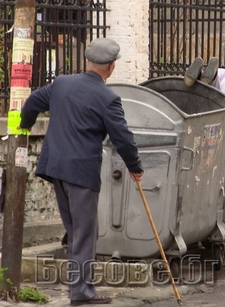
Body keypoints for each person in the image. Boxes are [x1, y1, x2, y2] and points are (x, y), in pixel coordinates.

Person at [19, 38, 144, 306]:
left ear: (89, 62)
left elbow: (31, 104)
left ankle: (79, 288)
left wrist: (26, 126)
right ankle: (82, 292)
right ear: (110, 67)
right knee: (84, 232)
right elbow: (122, 137)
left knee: (75, 230)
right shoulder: (108, 98)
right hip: (81, 173)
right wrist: (135, 167)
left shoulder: (62, 83)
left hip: (55, 168)